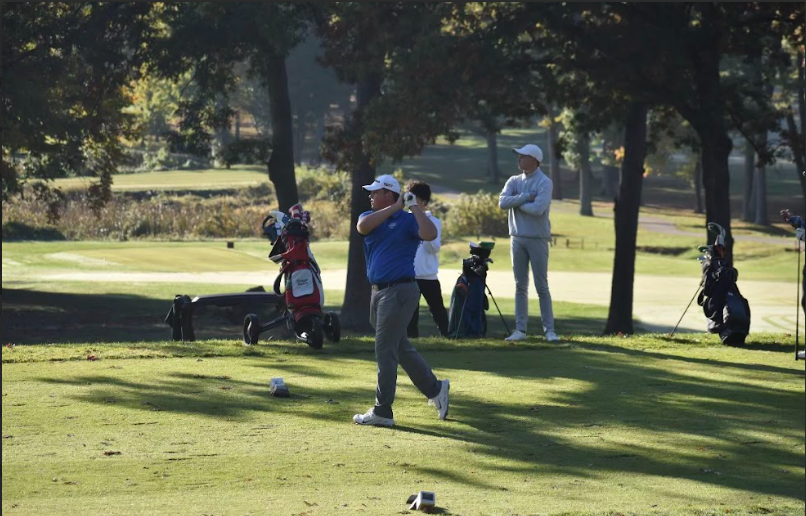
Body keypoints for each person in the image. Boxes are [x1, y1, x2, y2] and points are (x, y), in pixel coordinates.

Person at [352, 174, 450, 427]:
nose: (371, 196)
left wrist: (413, 206)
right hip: (378, 292)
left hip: (400, 290)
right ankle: (435, 388)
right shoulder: (368, 217)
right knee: (399, 347)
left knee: (384, 349)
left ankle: (382, 410)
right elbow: (362, 228)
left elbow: (429, 234)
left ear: (388, 193)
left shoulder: (408, 220)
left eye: (376, 192)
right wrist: (396, 206)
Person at [499, 144, 559, 343]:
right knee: (520, 286)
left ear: (534, 159)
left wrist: (515, 203)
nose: (519, 159)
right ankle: (520, 330)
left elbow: (538, 209)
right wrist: (525, 197)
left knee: (541, 286)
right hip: (517, 237)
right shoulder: (514, 180)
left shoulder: (544, 182)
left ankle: (549, 330)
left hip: (537, 238)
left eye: (522, 156)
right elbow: (502, 203)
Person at [405, 181, 449, 338]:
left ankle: (448, 337)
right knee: (411, 314)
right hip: (409, 276)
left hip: (428, 275)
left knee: (437, 310)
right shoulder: (405, 220)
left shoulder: (434, 222)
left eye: (413, 198)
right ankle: (411, 342)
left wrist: (424, 229)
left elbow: (434, 248)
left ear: (423, 201)